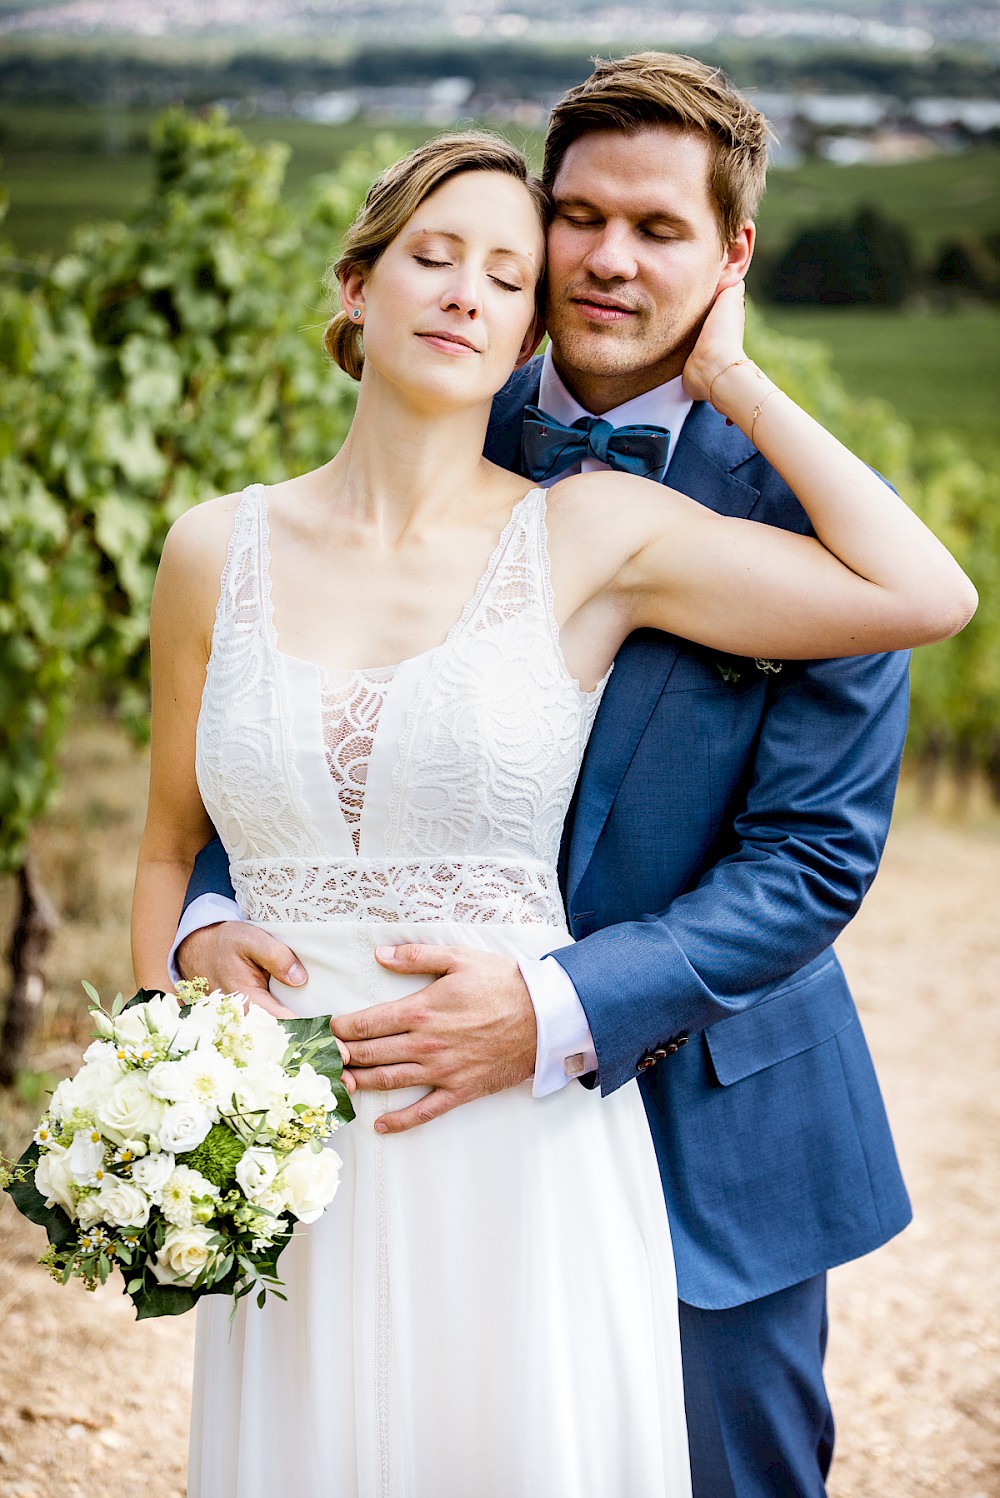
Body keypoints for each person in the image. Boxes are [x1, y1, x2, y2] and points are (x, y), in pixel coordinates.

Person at [147, 92, 975, 1498]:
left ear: (731, 258)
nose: (605, 258)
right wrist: (205, 922)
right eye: (578, 219)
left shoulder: (801, 511)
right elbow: (285, 749)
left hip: (710, 1107)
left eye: (659, 228)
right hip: (379, 1103)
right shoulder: (440, 409)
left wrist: (545, 1007)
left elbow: (810, 864)